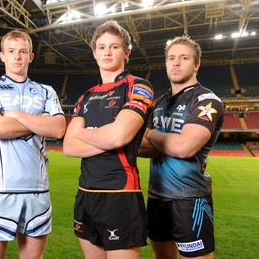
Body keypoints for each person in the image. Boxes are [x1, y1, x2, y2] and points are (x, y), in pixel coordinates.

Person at [63, 20, 154, 259]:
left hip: (120, 194)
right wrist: (105, 138)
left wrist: (81, 133)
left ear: (126, 52)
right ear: (94, 53)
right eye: (102, 47)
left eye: (114, 46)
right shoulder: (86, 96)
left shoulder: (138, 86)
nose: (107, 52)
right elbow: (69, 146)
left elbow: (119, 136)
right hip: (85, 194)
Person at [0, 29, 66, 259]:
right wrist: (39, 122)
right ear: (2, 56)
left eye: (23, 51)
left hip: (38, 191)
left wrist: (16, 116)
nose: (17, 56)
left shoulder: (47, 91)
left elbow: (58, 129)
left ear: (30, 56)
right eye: (11, 51)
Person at [138, 35, 225, 259]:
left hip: (190, 199)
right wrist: (169, 141)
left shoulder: (206, 100)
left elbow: (184, 147)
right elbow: (139, 148)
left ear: (196, 64)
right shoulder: (159, 103)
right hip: (157, 197)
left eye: (184, 58)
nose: (176, 63)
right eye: (171, 58)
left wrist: (152, 134)